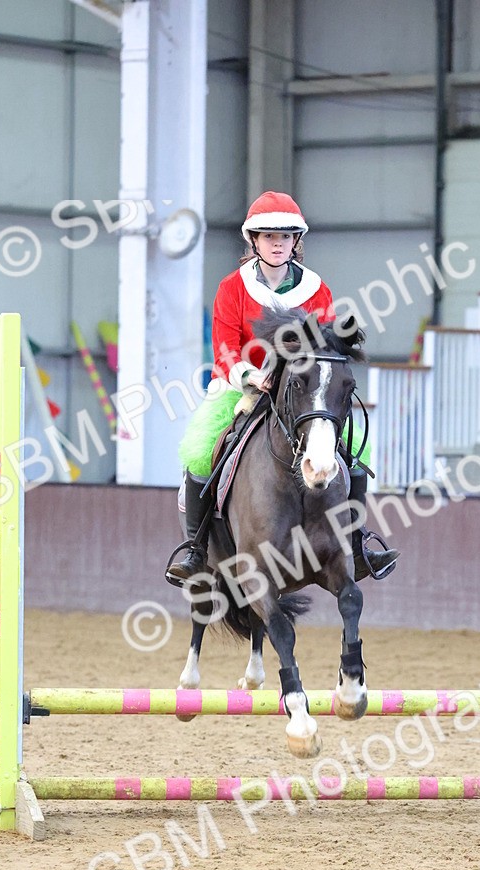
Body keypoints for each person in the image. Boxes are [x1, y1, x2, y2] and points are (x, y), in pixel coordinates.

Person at [166, 190, 399, 584]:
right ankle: (196, 549)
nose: (277, 244)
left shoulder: (316, 289)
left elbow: (326, 342)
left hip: (302, 392)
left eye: (285, 237)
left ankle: (357, 545)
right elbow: (223, 347)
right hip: (242, 387)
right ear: (253, 241)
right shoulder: (231, 288)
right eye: (269, 236)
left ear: (296, 242)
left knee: (355, 451)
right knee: (201, 452)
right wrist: (250, 377)